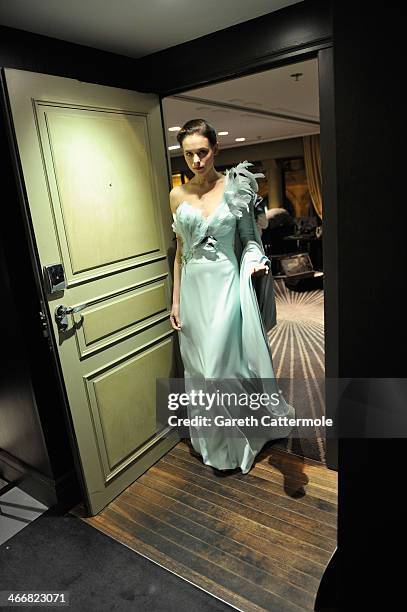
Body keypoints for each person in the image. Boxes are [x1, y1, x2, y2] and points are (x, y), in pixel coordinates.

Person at [169, 119, 295, 473]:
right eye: (188, 154)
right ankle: (214, 443)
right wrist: (176, 301)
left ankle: (237, 443)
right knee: (200, 371)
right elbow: (180, 252)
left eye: (202, 152)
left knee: (221, 367)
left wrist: (255, 262)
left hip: (225, 285)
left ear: (216, 148)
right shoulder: (177, 195)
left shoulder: (236, 188)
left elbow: (252, 240)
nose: (196, 160)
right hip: (194, 291)